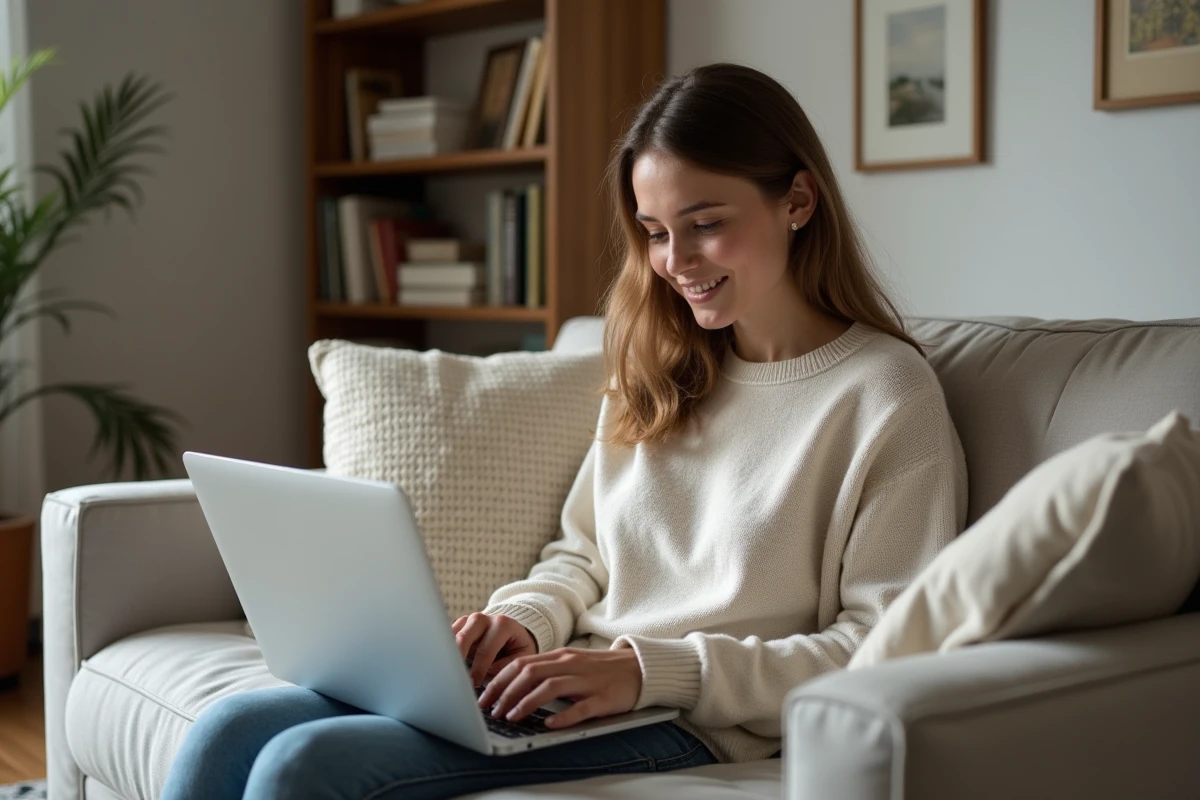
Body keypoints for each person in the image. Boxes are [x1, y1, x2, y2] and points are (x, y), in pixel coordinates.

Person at [159, 61, 968, 800]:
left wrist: (647, 672)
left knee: (306, 766)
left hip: (690, 720)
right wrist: (522, 623)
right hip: (571, 681)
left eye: (704, 223)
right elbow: (581, 555)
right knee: (231, 728)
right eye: (655, 231)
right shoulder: (661, 363)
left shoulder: (886, 395)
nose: (675, 261)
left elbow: (884, 647)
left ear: (797, 201)